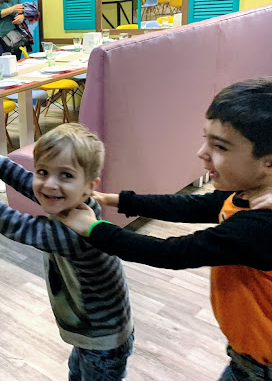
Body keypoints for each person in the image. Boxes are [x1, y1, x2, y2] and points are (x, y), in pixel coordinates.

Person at [60, 78, 272, 381]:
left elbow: (171, 253)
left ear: (268, 163)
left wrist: (93, 229)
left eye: (220, 146)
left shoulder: (260, 226)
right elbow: (185, 206)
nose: (202, 153)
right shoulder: (244, 196)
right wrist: (112, 199)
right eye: (206, 139)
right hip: (248, 356)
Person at [0, 124, 134, 381]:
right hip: (91, 332)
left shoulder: (76, 233)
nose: (50, 184)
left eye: (66, 175)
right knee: (77, 373)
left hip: (103, 340)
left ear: (89, 186)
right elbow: (22, 177)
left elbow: (13, 224)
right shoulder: (74, 203)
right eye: (43, 171)